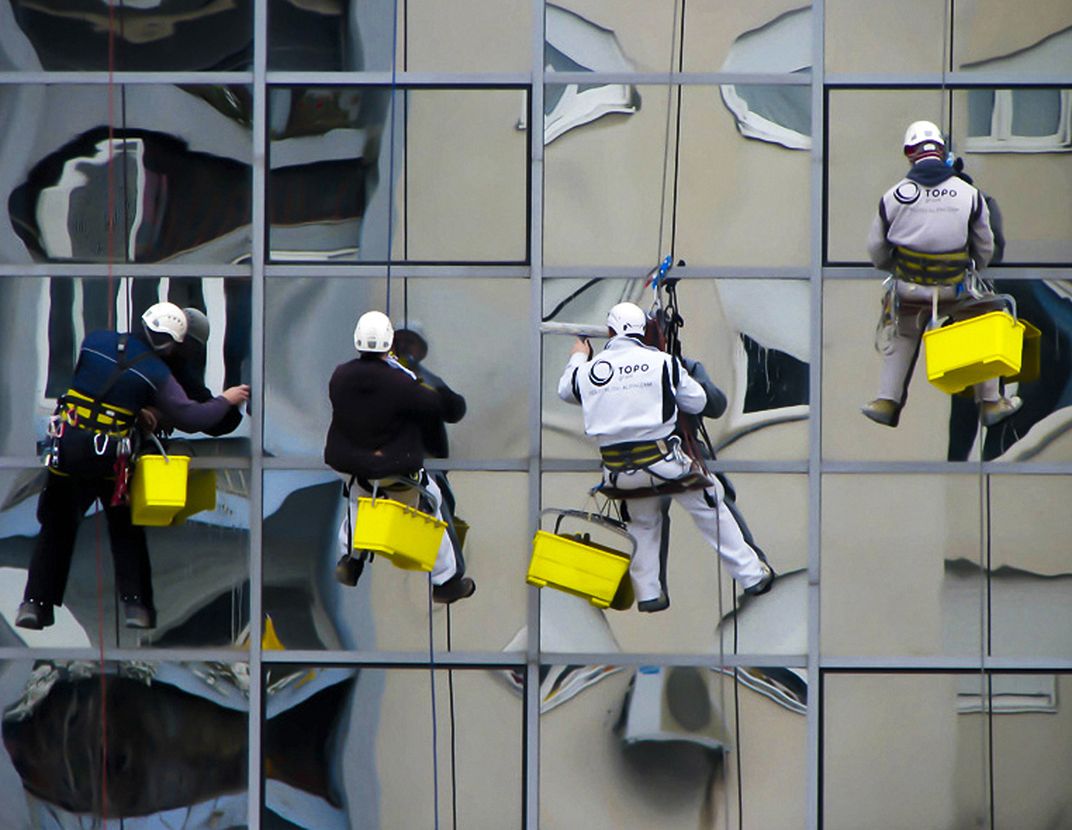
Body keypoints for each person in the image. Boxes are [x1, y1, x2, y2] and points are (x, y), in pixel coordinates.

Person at [16, 302, 251, 631]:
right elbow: (194, 416)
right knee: (125, 532)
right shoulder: (157, 373)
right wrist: (227, 400)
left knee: (56, 529)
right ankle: (136, 607)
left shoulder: (95, 342)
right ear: (172, 343)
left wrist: (139, 407)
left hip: (67, 453)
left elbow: (97, 386)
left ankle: (34, 605)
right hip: (112, 465)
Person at [557, 301, 774, 612]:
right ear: (643, 330)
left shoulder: (592, 370)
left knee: (643, 523)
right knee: (710, 502)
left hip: (619, 473)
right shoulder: (663, 363)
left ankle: (648, 594)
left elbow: (566, 390)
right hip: (664, 463)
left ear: (610, 331)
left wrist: (579, 354)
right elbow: (698, 402)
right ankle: (752, 575)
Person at [863, 119, 1020, 428]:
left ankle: (886, 400)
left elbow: (876, 249)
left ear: (910, 153)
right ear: (942, 151)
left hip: (909, 289)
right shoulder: (968, 194)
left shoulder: (893, 196)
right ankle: (990, 402)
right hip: (955, 290)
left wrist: (893, 267)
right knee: (984, 320)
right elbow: (985, 247)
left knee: (904, 331)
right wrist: (973, 266)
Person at [324, 311, 475, 604]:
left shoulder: (340, 375)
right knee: (436, 502)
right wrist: (417, 380)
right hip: (392, 465)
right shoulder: (402, 382)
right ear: (389, 344)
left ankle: (350, 561)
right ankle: (445, 581)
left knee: (358, 499)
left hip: (353, 464)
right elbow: (445, 408)